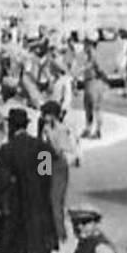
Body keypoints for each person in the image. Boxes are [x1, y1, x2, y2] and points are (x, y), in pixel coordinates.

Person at [0, 107, 59, 253]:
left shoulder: (7, 149)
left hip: (16, 199)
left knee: (9, 233)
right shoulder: (42, 147)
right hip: (38, 198)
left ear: (11, 126)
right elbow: (47, 175)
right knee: (39, 233)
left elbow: (3, 179)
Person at [38, 100, 79, 245]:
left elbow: (57, 150)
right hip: (45, 159)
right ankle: (52, 230)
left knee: (55, 199)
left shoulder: (59, 129)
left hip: (55, 163)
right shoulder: (45, 127)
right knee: (45, 196)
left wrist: (48, 135)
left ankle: (59, 233)